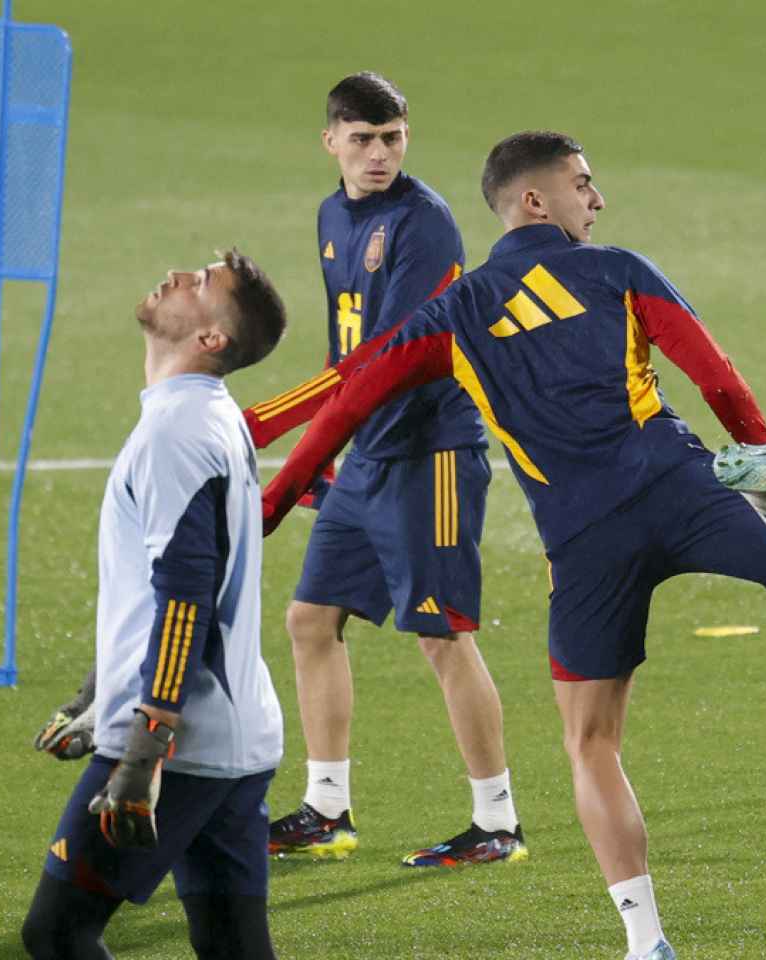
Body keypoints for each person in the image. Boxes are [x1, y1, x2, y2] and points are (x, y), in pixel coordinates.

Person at [259, 130, 766, 960]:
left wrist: (273, 498)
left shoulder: (451, 315)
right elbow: (719, 377)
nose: (597, 200)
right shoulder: (620, 269)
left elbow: (346, 403)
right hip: (684, 486)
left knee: (591, 744)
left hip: (584, 543)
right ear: (535, 200)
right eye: (583, 184)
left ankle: (645, 942)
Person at [241, 71, 525, 867]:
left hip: (431, 451)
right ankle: (327, 808)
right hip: (368, 451)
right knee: (310, 619)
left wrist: (271, 420)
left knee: (440, 634)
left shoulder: (425, 223)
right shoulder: (334, 214)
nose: (378, 153)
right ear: (330, 140)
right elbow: (345, 352)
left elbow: (382, 357)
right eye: (362, 139)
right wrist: (329, 458)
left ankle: (497, 823)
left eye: (392, 137)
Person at [20, 251, 288, 959]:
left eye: (200, 284)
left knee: (57, 932)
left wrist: (144, 745)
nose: (175, 275)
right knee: (234, 948)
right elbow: (162, 588)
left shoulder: (176, 433)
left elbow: (185, 598)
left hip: (182, 748)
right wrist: (96, 690)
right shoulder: (205, 416)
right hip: (236, 737)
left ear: (211, 339)